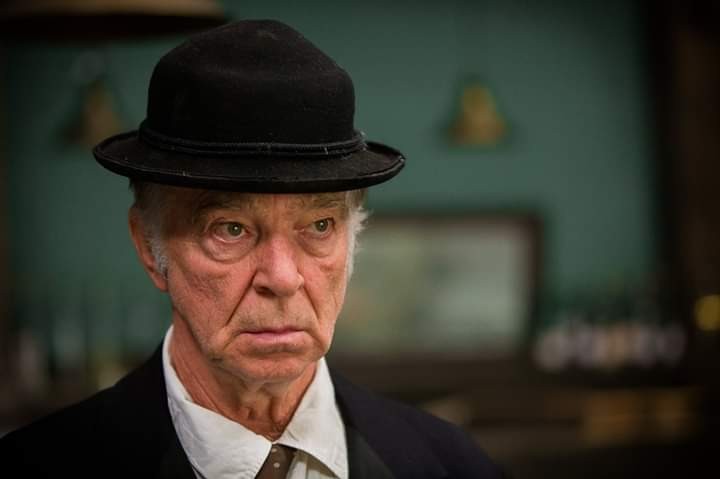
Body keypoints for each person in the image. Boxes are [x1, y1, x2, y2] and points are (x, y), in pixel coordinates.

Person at [0, 20, 503, 478]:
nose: (282, 278)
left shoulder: (451, 465)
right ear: (149, 247)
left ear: (352, 240)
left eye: (320, 225)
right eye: (230, 229)